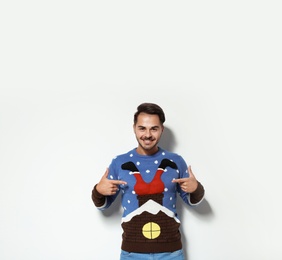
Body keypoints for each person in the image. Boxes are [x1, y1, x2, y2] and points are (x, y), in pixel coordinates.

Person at [91, 102, 205, 260]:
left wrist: (196, 189)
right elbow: (104, 206)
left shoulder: (176, 161)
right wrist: (98, 191)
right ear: (134, 128)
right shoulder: (119, 163)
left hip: (171, 252)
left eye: (154, 128)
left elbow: (192, 202)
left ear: (162, 129)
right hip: (132, 253)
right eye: (142, 128)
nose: (148, 134)